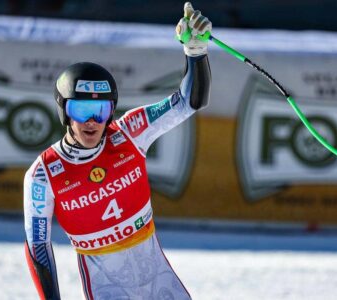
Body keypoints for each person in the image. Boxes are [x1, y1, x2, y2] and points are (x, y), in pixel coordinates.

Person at [23, 3, 211, 299]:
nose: (91, 121)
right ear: (64, 111)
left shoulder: (129, 132)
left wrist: (196, 53)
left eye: (100, 110)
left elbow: (189, 102)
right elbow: (38, 247)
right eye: (81, 109)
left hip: (161, 283)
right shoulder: (43, 174)